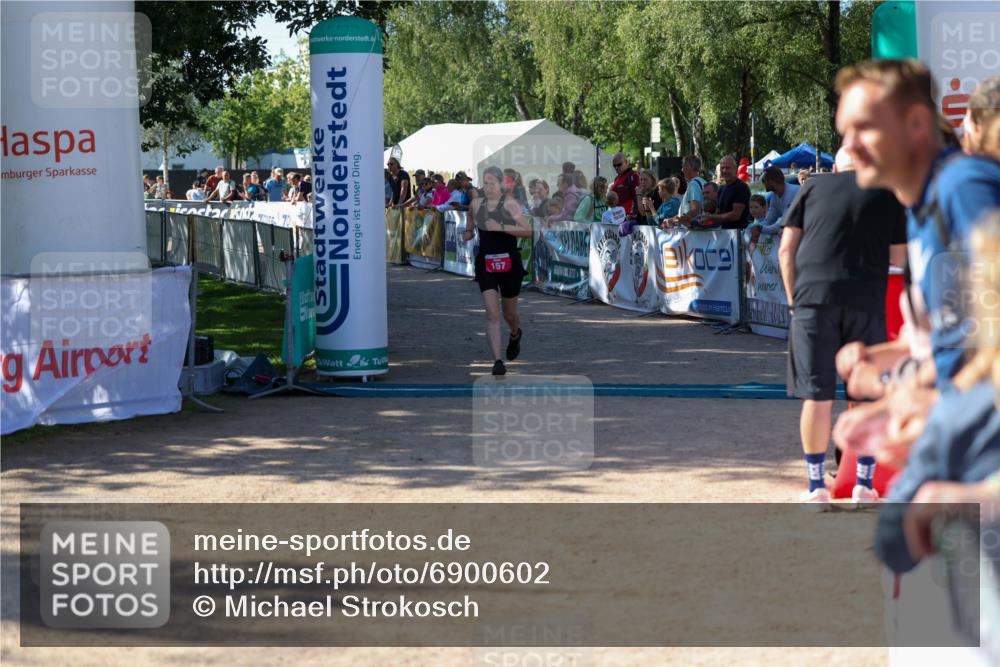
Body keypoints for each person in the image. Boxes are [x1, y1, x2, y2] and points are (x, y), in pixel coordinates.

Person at [832, 59, 1000, 459]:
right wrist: (890, 403)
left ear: (917, 124)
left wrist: (940, 409)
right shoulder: (920, 209)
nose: (849, 145)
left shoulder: (963, 187)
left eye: (865, 128)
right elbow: (951, 345)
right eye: (845, 131)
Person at [778, 146, 908, 508]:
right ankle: (864, 487)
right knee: (866, 396)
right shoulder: (886, 193)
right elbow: (900, 258)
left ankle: (817, 485)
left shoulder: (812, 187)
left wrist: (793, 301)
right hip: (866, 299)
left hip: (812, 300)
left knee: (817, 396)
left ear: (836, 166)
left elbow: (786, 251)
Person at [462, 166, 533, 376]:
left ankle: (515, 333)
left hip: (509, 262)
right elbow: (471, 224)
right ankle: (498, 361)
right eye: (486, 182)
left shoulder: (510, 204)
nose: (489, 187)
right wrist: (467, 233)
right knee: (492, 312)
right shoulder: (475, 204)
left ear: (501, 183)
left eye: (492, 183)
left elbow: (528, 231)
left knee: (508, 313)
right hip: (486, 263)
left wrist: (500, 227)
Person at [698, 155, 751, 230]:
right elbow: (718, 214)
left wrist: (711, 217)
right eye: (722, 168)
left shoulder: (741, 187)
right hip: (724, 235)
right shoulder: (721, 189)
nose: (725, 170)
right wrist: (702, 220)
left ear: (735, 169)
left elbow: (735, 215)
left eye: (728, 168)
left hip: (738, 235)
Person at [758, 165, 801, 235]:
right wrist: (754, 227)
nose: (763, 183)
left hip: (809, 233)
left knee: (782, 232)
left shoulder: (792, 192)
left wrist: (760, 229)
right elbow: (769, 220)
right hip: (800, 231)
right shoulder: (774, 196)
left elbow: (783, 223)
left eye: (764, 181)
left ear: (770, 181)